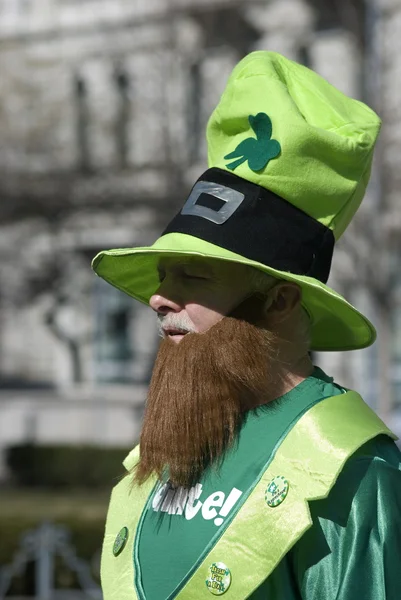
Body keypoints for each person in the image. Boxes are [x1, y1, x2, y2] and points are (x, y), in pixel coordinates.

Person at [92, 51, 401, 599]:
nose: (159, 299)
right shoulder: (174, 445)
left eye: (193, 277)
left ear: (279, 300)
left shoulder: (351, 467)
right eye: (164, 276)